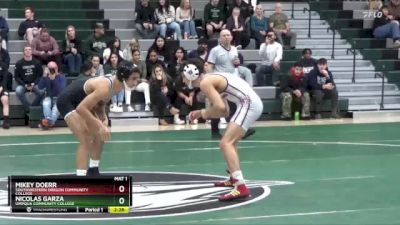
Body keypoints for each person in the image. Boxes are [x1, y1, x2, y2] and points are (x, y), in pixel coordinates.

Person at [186, 61, 263, 201]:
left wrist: (200, 113)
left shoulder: (205, 83)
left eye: (183, 75)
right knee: (231, 143)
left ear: (189, 74)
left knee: (225, 143)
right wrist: (203, 113)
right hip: (248, 103)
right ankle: (234, 178)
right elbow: (225, 111)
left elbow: (220, 109)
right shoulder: (210, 79)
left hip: (248, 104)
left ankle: (241, 187)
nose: (182, 78)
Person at [57, 61, 142, 176]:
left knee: (100, 135)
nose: (136, 82)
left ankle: (93, 170)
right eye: (134, 79)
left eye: (137, 79)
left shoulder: (117, 86)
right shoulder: (105, 87)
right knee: (85, 138)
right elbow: (81, 108)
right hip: (68, 101)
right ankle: (80, 178)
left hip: (83, 101)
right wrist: (99, 124)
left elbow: (101, 103)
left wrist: (103, 117)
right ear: (123, 77)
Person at [14, 45, 44, 113]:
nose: (28, 51)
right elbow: (16, 77)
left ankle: (32, 107)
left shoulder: (37, 62)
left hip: (35, 84)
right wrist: (24, 85)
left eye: (29, 49)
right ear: (23, 52)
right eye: (26, 50)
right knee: (18, 90)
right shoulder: (19, 63)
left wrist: (34, 84)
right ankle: (28, 108)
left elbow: (40, 76)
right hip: (23, 85)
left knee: (42, 91)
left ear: (32, 52)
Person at [38, 61, 67, 129]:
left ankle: (46, 123)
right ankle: (49, 123)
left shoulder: (62, 77)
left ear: (57, 68)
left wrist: (54, 80)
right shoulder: (46, 77)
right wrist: (44, 76)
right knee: (45, 104)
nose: (52, 70)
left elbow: (61, 90)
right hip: (49, 97)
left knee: (55, 110)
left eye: (54, 68)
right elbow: (40, 87)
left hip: (59, 98)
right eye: (50, 68)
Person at [0, 43, 10, 129]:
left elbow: (6, 74)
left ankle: (6, 122)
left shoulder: (5, 54)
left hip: (2, 86)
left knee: (5, 99)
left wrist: (2, 87)